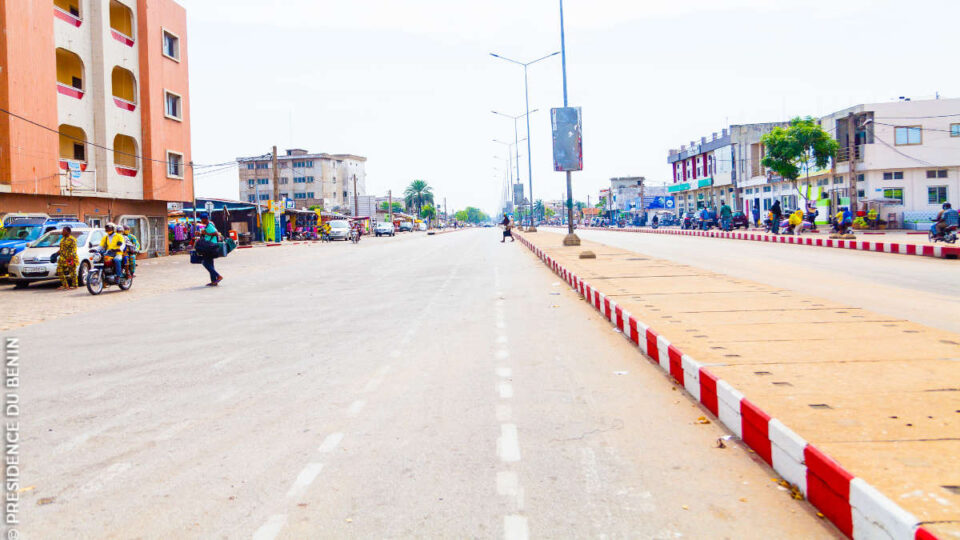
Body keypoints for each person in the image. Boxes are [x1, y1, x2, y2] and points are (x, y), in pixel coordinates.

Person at [197, 216, 223, 286]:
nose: (201, 220)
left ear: (205, 219)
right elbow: (207, 235)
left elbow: (216, 233)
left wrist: (206, 233)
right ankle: (214, 281)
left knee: (205, 263)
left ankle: (218, 276)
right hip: (209, 246)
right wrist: (201, 234)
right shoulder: (207, 226)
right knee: (210, 263)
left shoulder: (210, 226)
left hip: (210, 247)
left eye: (202, 219)